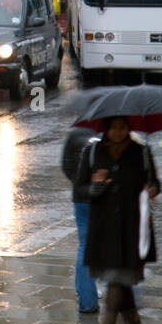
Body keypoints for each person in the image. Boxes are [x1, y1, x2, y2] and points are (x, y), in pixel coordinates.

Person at [73, 116, 160, 324]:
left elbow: (155, 183)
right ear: (106, 129)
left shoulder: (141, 152)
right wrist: (95, 187)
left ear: (129, 129)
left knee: (116, 280)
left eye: (123, 128)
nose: (118, 133)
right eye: (114, 128)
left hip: (132, 229)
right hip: (104, 230)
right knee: (119, 280)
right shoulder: (92, 152)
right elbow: (78, 190)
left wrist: (152, 188)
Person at [62, 127, 102, 313]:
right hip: (102, 202)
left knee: (84, 247)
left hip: (81, 200)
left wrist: (80, 183)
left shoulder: (75, 135)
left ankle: (86, 300)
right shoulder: (107, 138)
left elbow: (66, 166)